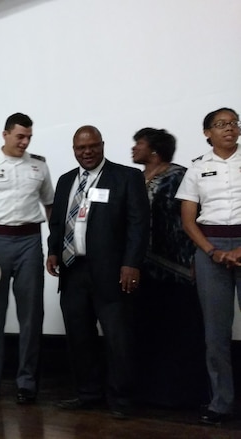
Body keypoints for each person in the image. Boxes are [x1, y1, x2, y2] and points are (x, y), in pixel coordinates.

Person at [46, 125, 149, 419]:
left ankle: (122, 400)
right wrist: (53, 250)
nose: (87, 152)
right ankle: (88, 393)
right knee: (79, 336)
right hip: (73, 269)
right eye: (81, 148)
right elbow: (57, 223)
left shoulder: (127, 177)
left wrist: (132, 263)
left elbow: (138, 225)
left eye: (92, 146)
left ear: (102, 145)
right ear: (74, 150)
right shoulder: (66, 180)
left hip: (113, 270)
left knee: (118, 338)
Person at [0, 112, 54, 404]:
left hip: (30, 241)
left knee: (31, 315)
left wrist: (53, 245)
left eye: (28, 136)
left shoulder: (39, 166)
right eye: (20, 136)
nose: (25, 141)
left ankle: (27, 382)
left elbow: (50, 206)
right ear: (5, 134)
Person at [130, 127, 206, 407]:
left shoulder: (179, 176)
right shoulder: (136, 178)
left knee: (180, 329)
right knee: (147, 328)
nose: (133, 148)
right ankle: (151, 392)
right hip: (143, 268)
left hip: (178, 268)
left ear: (154, 150)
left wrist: (197, 258)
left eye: (138, 143)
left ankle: (183, 394)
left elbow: (191, 219)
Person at [175, 107, 241, 425]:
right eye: (221, 124)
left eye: (233, 123)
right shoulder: (197, 169)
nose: (229, 128)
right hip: (209, 249)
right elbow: (188, 220)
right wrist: (213, 252)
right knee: (215, 334)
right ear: (207, 133)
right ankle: (221, 402)